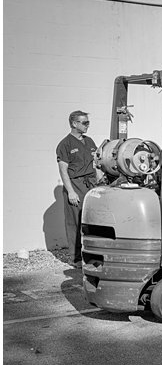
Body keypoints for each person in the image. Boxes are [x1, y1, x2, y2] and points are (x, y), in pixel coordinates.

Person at [56, 110, 102, 267]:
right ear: (74, 124)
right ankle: (76, 258)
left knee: (92, 220)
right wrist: (70, 191)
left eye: (88, 122)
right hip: (75, 185)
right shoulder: (65, 144)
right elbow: (63, 170)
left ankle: (92, 255)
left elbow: (96, 164)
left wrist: (101, 183)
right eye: (85, 123)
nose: (88, 125)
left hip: (90, 184)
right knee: (75, 223)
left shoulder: (89, 141)